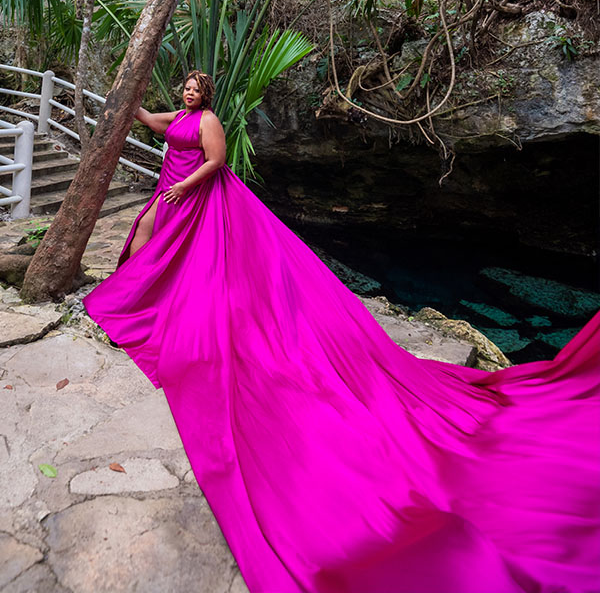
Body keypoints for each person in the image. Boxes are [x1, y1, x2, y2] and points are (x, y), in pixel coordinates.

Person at [83, 71, 600, 593]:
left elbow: (217, 162)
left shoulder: (210, 121)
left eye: (196, 88)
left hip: (195, 196)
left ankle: (146, 297)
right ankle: (138, 290)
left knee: (191, 257)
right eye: (186, 88)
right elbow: (149, 120)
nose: (190, 93)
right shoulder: (179, 117)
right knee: (143, 236)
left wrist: (183, 186)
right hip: (169, 193)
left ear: (207, 95)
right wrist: (129, 90)